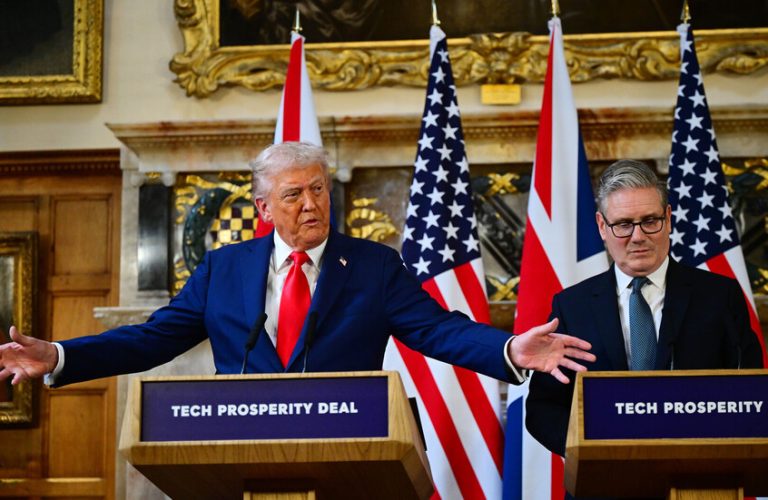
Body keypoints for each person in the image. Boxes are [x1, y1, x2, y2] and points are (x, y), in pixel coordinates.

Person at [0, 142, 596, 389]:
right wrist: (61, 356)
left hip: (349, 446)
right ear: (264, 208)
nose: (310, 204)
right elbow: (152, 339)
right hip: (241, 443)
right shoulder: (224, 269)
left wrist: (508, 349)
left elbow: (438, 330)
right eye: (293, 195)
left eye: (318, 189)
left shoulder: (373, 266)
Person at [526, 159, 765, 463]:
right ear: (602, 226)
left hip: (699, 473)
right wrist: (589, 450)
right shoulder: (572, 306)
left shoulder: (719, 296)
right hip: (605, 478)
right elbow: (544, 408)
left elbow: (750, 393)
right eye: (624, 224)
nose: (638, 236)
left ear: (668, 218)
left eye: (650, 221)